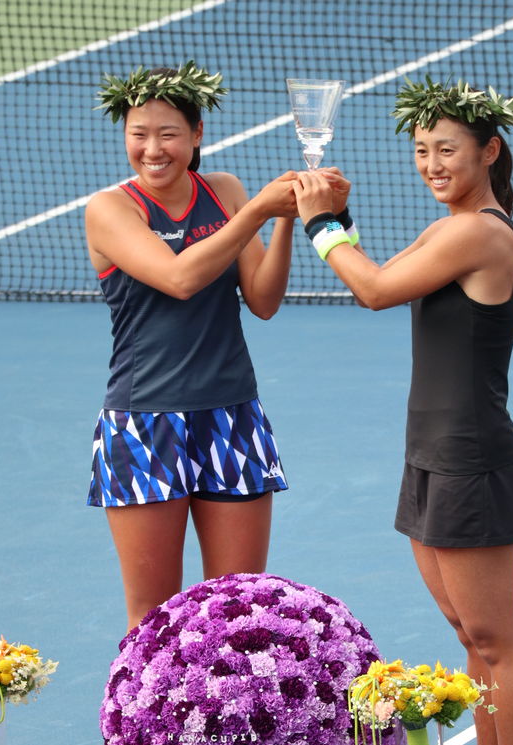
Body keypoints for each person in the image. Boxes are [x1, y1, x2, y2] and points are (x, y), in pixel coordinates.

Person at [292, 79, 513, 745]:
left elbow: (372, 290)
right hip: (431, 457)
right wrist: (340, 219)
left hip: (471, 461)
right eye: (420, 150)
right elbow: (379, 270)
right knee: (469, 634)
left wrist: (318, 226)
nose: (431, 163)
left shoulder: (481, 234)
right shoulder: (450, 228)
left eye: (446, 149)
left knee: (498, 639)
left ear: (488, 151)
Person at [85, 62, 299, 633]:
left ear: (197, 134)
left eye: (168, 134)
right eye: (139, 134)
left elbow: (263, 299)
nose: (153, 149)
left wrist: (285, 220)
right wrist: (258, 210)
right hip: (145, 423)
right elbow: (179, 278)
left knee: (239, 610)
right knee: (153, 619)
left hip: (232, 417)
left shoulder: (223, 191)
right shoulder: (111, 209)